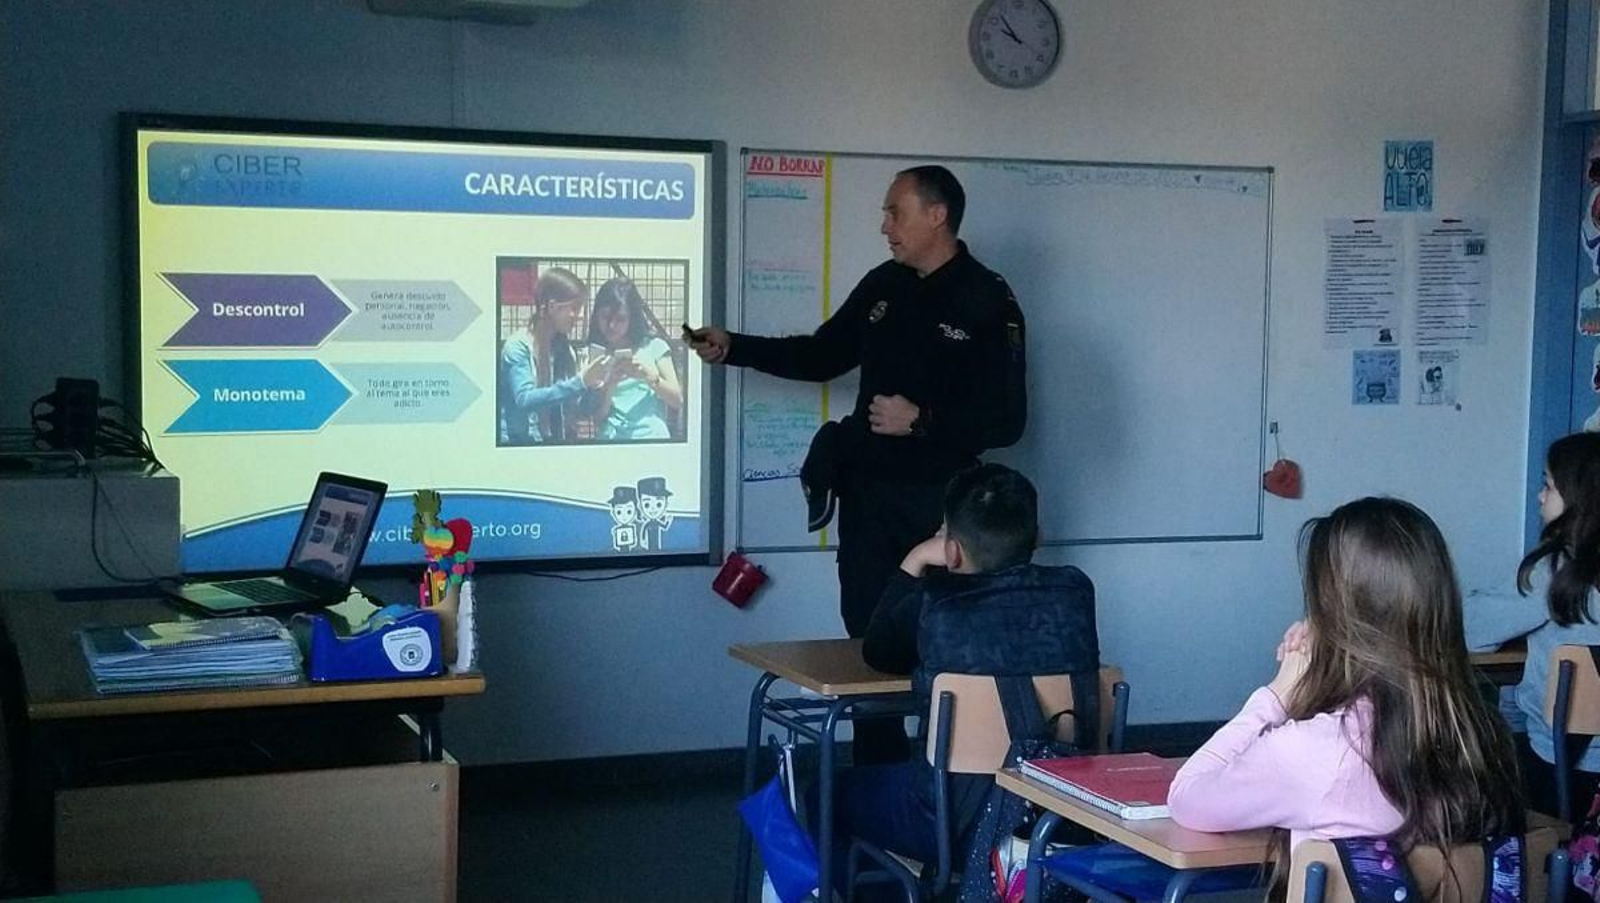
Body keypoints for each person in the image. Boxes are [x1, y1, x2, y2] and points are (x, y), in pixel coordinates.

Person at [689, 165, 1027, 762]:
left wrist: (921, 420)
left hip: (942, 505)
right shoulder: (884, 285)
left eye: (895, 212)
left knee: (947, 645)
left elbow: (1009, 421)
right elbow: (820, 355)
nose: (884, 225)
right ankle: (880, 781)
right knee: (869, 646)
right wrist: (735, 347)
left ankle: (947, 783)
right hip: (869, 500)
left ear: (937, 215)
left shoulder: (986, 297)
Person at [1169, 497, 1523, 886]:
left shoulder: (1314, 749)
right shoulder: (1483, 734)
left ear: (1335, 617)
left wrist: (1277, 695)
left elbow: (1187, 798)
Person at [806, 464, 1097, 899]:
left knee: (824, 794)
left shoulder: (935, 601)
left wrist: (914, 561)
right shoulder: (1075, 591)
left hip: (948, 819)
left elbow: (878, 651)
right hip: (1058, 811)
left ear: (951, 551)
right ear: (1037, 537)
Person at [1465, 432, 1600, 818]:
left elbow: (1473, 631)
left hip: (1561, 771)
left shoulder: (1554, 571)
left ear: (1579, 498)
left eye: (1549, 485)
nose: (1540, 497)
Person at [497, 267, 609, 445]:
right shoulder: (518, 347)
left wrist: (594, 386)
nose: (580, 316)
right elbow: (524, 399)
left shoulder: (565, 351)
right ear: (552, 307)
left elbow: (577, 407)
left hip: (556, 442)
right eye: (574, 308)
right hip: (519, 443)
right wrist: (579, 382)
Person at [583, 277, 683, 441]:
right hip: (610, 441)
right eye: (605, 317)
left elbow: (677, 400)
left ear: (632, 318)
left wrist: (647, 376)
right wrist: (609, 386)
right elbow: (597, 419)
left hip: (651, 438)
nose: (612, 325)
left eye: (620, 319)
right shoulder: (593, 354)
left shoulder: (654, 347)